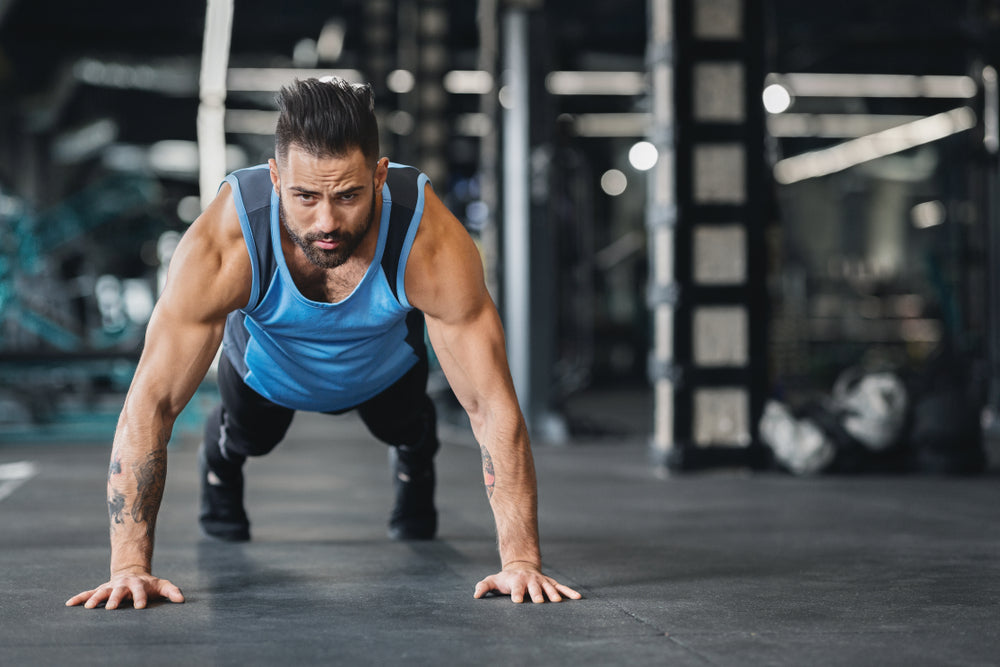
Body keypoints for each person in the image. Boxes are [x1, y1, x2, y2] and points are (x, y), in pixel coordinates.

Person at [66, 77, 581, 609]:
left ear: (380, 176)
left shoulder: (426, 238)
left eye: (348, 195)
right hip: (270, 370)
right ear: (275, 177)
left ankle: (413, 460)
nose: (327, 222)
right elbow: (150, 404)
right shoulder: (227, 241)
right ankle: (222, 462)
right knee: (248, 435)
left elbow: (491, 404)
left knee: (407, 426)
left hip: (383, 366)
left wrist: (521, 562)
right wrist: (129, 567)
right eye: (305, 197)